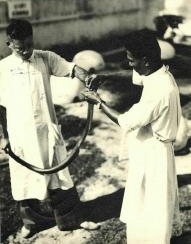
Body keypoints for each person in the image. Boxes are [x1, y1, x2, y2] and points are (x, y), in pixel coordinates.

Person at [0, 19, 102, 238]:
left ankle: (71, 219)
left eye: (29, 44)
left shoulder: (45, 58)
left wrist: (88, 77)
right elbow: (0, 107)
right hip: (21, 135)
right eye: (20, 47)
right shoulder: (3, 68)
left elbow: (72, 69)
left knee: (59, 176)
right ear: (9, 43)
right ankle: (31, 222)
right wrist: (4, 137)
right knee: (23, 179)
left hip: (47, 130)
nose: (26, 50)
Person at [82, 29, 182, 244]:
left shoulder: (159, 90)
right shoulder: (160, 73)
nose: (129, 64)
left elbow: (126, 121)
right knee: (144, 205)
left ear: (145, 60)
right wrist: (106, 76)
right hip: (150, 151)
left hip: (154, 156)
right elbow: (136, 77)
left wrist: (97, 102)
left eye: (131, 60)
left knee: (151, 210)